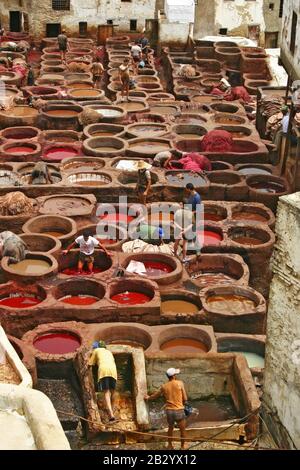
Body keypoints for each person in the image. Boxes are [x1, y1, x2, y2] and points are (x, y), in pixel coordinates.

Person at [145, 368, 188, 450]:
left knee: (170, 427)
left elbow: (155, 395)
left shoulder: (164, 386)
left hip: (169, 411)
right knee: (182, 429)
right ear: (174, 376)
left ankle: (170, 445)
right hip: (179, 410)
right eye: (176, 374)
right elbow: (185, 398)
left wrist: (148, 397)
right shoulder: (180, 383)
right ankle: (182, 446)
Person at [88, 341, 117, 422]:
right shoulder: (109, 352)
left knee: (106, 392)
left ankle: (111, 414)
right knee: (113, 391)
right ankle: (114, 408)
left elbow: (90, 363)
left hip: (104, 371)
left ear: (96, 347)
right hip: (113, 371)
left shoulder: (96, 351)